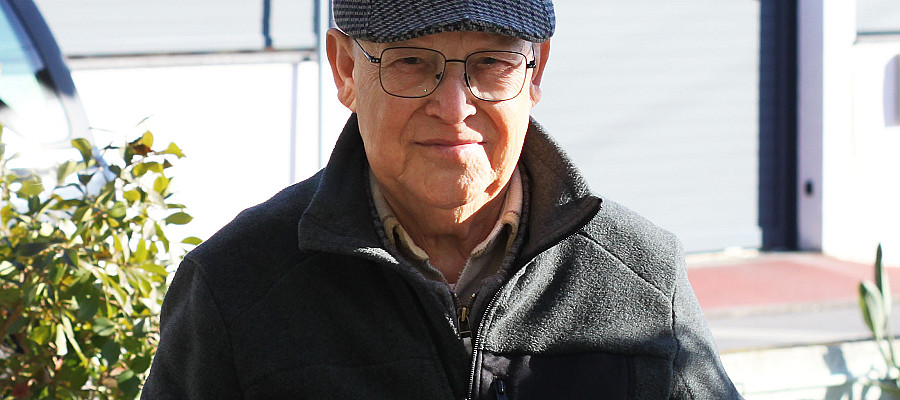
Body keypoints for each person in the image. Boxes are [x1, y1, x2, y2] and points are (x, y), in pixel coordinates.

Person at [142, 0, 743, 398]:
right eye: (411, 61)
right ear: (345, 68)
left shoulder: (642, 277)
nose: (455, 108)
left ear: (535, 72)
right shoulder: (235, 286)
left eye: (492, 62)